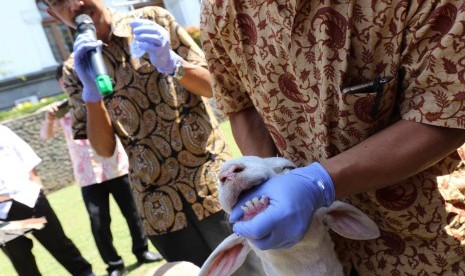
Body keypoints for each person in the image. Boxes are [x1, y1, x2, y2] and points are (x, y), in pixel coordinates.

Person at [201, 1, 465, 275]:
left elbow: (447, 108)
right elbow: (240, 103)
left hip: (423, 238)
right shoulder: (220, 9)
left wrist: (319, 184)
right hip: (315, 251)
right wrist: (262, 183)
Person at [42, 0, 263, 274]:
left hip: (214, 187)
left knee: (255, 270)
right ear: (52, 13)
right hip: (160, 210)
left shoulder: (152, 20)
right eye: (60, 2)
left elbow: (214, 88)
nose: (75, 4)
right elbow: (103, 149)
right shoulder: (74, 67)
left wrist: (174, 64)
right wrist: (91, 94)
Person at [39, 65, 162, 276]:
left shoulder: (98, 97)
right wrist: (49, 120)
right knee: (98, 221)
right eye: (64, 80)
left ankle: (142, 251)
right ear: (61, 84)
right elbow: (46, 136)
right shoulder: (60, 111)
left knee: (133, 213)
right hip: (87, 175)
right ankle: (114, 264)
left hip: (115, 166)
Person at [0, 124, 94, 276]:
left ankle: (85, 273)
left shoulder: (2, 131)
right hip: (2, 214)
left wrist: (37, 185)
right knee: (21, 259)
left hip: (29, 197)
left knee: (58, 243)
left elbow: (26, 156)